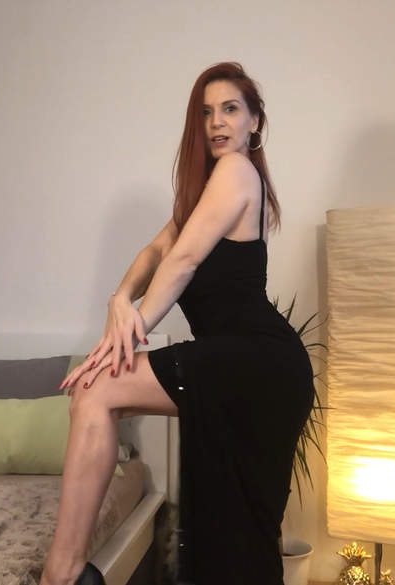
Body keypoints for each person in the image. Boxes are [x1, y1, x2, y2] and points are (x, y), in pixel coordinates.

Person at [41, 62, 314, 585]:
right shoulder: (206, 190)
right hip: (247, 363)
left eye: (230, 109)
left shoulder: (237, 170)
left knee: (96, 389)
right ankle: (68, 572)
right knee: (239, 530)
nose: (217, 122)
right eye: (206, 113)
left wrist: (122, 340)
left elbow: (183, 262)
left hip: (259, 361)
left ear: (254, 120)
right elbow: (156, 252)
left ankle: (62, 574)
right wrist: (119, 299)